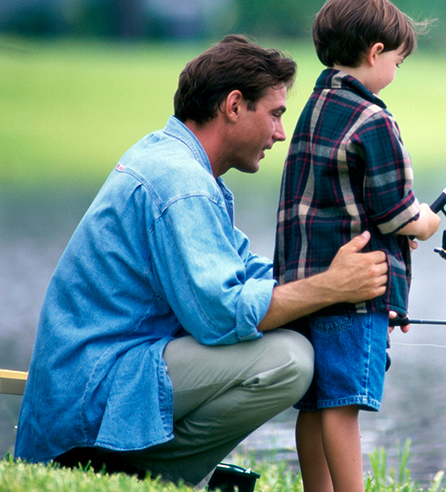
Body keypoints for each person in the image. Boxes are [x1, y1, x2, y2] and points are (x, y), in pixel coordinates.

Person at [14, 34, 390, 489]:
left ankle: (142, 469)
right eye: (274, 114)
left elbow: (247, 273)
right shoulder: (180, 182)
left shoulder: (178, 164)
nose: (280, 133)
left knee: (291, 333)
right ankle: (137, 474)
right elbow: (222, 314)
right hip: (91, 401)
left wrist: (348, 302)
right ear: (234, 106)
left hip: (110, 380)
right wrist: (330, 288)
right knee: (289, 360)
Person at [273, 0, 440, 492]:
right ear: (375, 54)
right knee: (343, 406)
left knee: (315, 401)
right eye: (398, 60)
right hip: (351, 293)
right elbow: (397, 212)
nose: (395, 71)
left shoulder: (313, 107)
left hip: (304, 288)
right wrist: (428, 222)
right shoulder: (375, 119)